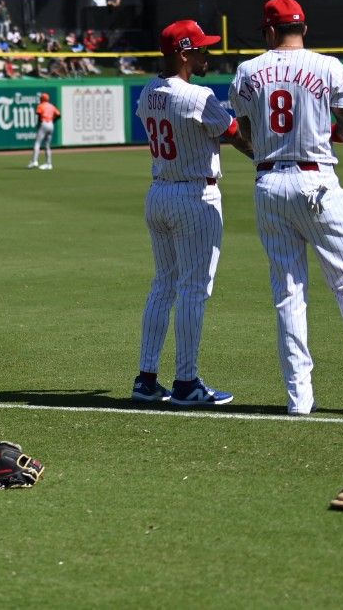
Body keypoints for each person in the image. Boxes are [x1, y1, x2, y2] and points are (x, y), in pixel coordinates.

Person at [230, 0, 343, 416]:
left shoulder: (247, 70)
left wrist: (264, 153)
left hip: (269, 182)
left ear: (270, 31)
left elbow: (241, 131)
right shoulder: (328, 66)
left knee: (288, 291)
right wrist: (317, 131)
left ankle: (299, 397)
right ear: (304, 29)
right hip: (315, 180)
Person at [133, 21, 248, 406]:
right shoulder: (197, 95)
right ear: (183, 53)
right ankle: (186, 382)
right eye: (199, 49)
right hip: (195, 195)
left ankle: (146, 380)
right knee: (193, 291)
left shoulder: (149, 91)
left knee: (163, 286)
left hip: (159, 192)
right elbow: (234, 134)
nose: (206, 54)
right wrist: (268, 158)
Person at [26, 91, 60, 169]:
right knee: (47, 145)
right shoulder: (51, 106)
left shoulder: (40, 105)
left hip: (44, 123)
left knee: (37, 143)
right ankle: (49, 164)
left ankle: (34, 161)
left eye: (41, 98)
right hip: (51, 124)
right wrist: (53, 121)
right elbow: (58, 115)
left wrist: (38, 125)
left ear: (42, 99)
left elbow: (39, 115)